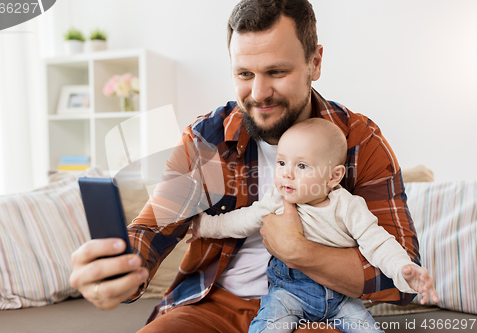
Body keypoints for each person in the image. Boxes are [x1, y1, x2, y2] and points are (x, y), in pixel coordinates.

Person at [69, 1, 422, 332]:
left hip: (315, 310)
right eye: (244, 73)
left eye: (276, 71)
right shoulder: (209, 139)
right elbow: (155, 228)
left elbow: (402, 277)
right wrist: (117, 270)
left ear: (315, 63)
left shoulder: (357, 141)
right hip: (212, 305)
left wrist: (299, 251)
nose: (258, 92)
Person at [187, 118, 438, 332]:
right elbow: (239, 221)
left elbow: (378, 242)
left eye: (302, 166)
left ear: (334, 176)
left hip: (341, 298)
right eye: (282, 162)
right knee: (269, 325)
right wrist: (203, 226)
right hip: (289, 292)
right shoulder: (276, 199)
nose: (287, 173)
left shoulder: (347, 207)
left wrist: (403, 268)